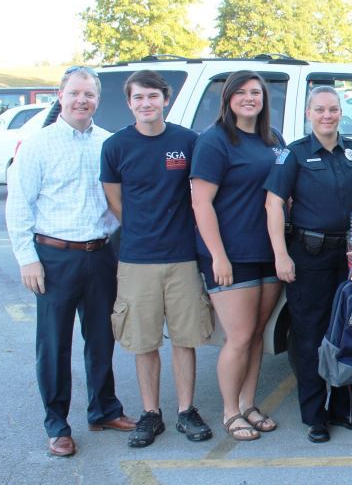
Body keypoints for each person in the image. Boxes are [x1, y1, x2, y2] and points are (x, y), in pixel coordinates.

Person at [5, 66, 135, 457]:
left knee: (101, 338)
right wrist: (28, 259)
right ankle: (57, 424)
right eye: (75, 93)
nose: (82, 100)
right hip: (54, 257)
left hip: (100, 255)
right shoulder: (38, 145)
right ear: (60, 96)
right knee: (54, 344)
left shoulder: (108, 144)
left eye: (89, 94)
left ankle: (104, 410)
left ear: (97, 99)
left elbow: (119, 201)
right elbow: (19, 205)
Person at [264, 86, 352, 443]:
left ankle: (345, 408)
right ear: (309, 114)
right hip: (310, 257)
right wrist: (280, 254)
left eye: (333, 109)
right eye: (319, 110)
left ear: (340, 113)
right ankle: (316, 415)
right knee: (310, 336)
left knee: (351, 331)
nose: (327, 115)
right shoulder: (295, 154)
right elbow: (273, 203)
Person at [100, 70, 213, 447]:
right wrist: (142, 230)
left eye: (152, 96)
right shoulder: (115, 146)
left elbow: (200, 195)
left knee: (185, 338)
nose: (146, 103)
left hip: (183, 258)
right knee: (143, 341)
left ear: (165, 99)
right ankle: (151, 414)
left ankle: (186, 410)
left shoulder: (187, 141)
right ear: (129, 103)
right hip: (136, 260)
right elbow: (115, 200)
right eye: (138, 97)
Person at [191, 71, 286, 441]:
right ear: (228, 98)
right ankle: (230, 412)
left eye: (256, 92)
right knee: (240, 336)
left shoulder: (272, 138)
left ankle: (248, 404)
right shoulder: (214, 141)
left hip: (268, 252)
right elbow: (201, 203)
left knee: (257, 334)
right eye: (242, 92)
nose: (250, 98)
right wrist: (218, 255)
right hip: (231, 255)